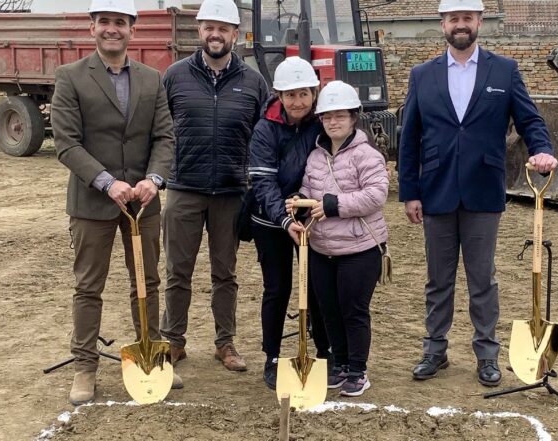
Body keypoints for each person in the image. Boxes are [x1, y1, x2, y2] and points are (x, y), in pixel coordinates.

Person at [398, 0, 558, 387]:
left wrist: (542, 149)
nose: (461, 25)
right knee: (439, 279)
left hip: (484, 190)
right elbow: (409, 139)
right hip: (435, 191)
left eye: (467, 18)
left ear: (479, 22)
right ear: (443, 25)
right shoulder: (422, 75)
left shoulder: (504, 70)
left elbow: (529, 119)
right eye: (454, 19)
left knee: (482, 278)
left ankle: (487, 354)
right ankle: (434, 349)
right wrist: (409, 192)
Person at [51, 0, 175, 405]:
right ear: (92, 28)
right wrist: (108, 183)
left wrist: (154, 179)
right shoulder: (70, 77)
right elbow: (67, 143)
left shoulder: (151, 79)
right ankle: (85, 366)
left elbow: (164, 137)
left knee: (148, 281)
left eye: (119, 22)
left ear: (131, 29)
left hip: (142, 203)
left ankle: (151, 357)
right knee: (89, 286)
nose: (111, 29)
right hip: (93, 203)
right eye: (104, 21)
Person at [160, 0, 269, 381]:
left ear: (236, 34)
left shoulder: (254, 83)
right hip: (184, 188)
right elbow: (159, 132)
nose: (215, 34)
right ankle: (173, 339)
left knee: (225, 273)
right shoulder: (174, 76)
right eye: (209, 26)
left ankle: (226, 342)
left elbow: (265, 137)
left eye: (224, 28)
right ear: (199, 30)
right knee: (178, 271)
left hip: (230, 192)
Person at [288, 80, 389, 397]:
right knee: (329, 310)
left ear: (353, 117)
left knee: (353, 310)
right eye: (327, 116)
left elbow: (377, 195)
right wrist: (299, 202)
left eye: (340, 116)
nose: (333, 122)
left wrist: (333, 205)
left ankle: (358, 369)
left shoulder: (367, 155)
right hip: (322, 247)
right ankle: (340, 362)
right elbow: (309, 187)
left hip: (360, 248)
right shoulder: (316, 156)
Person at [247, 57, 331, 390]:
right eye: (290, 95)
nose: (298, 102)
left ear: (315, 93)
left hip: (313, 220)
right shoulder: (265, 129)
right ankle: (272, 355)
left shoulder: (322, 123)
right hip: (271, 222)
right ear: (279, 96)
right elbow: (264, 184)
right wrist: (284, 219)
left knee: (317, 287)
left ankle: (324, 350)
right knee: (277, 288)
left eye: (304, 94)